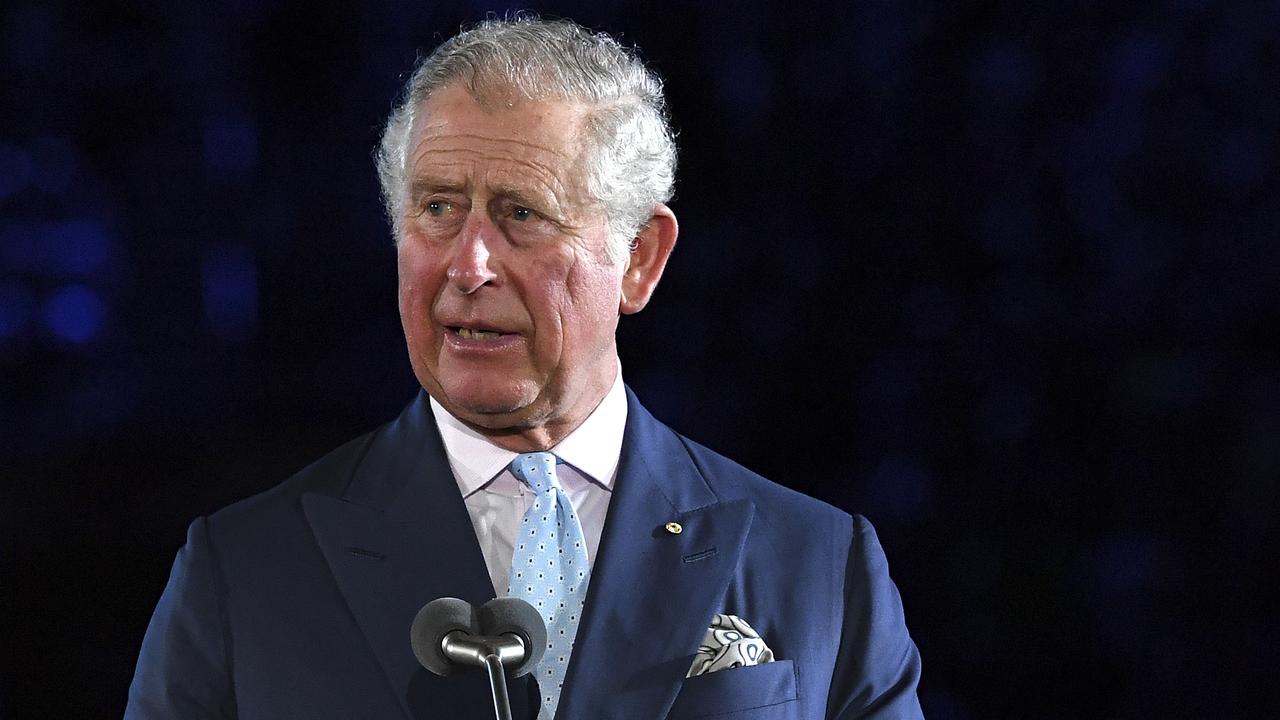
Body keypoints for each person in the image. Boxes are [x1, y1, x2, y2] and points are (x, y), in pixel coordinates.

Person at [126, 16, 923, 720]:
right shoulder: (243, 574)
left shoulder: (820, 567)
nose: (468, 263)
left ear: (639, 259)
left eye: (521, 214)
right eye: (438, 208)